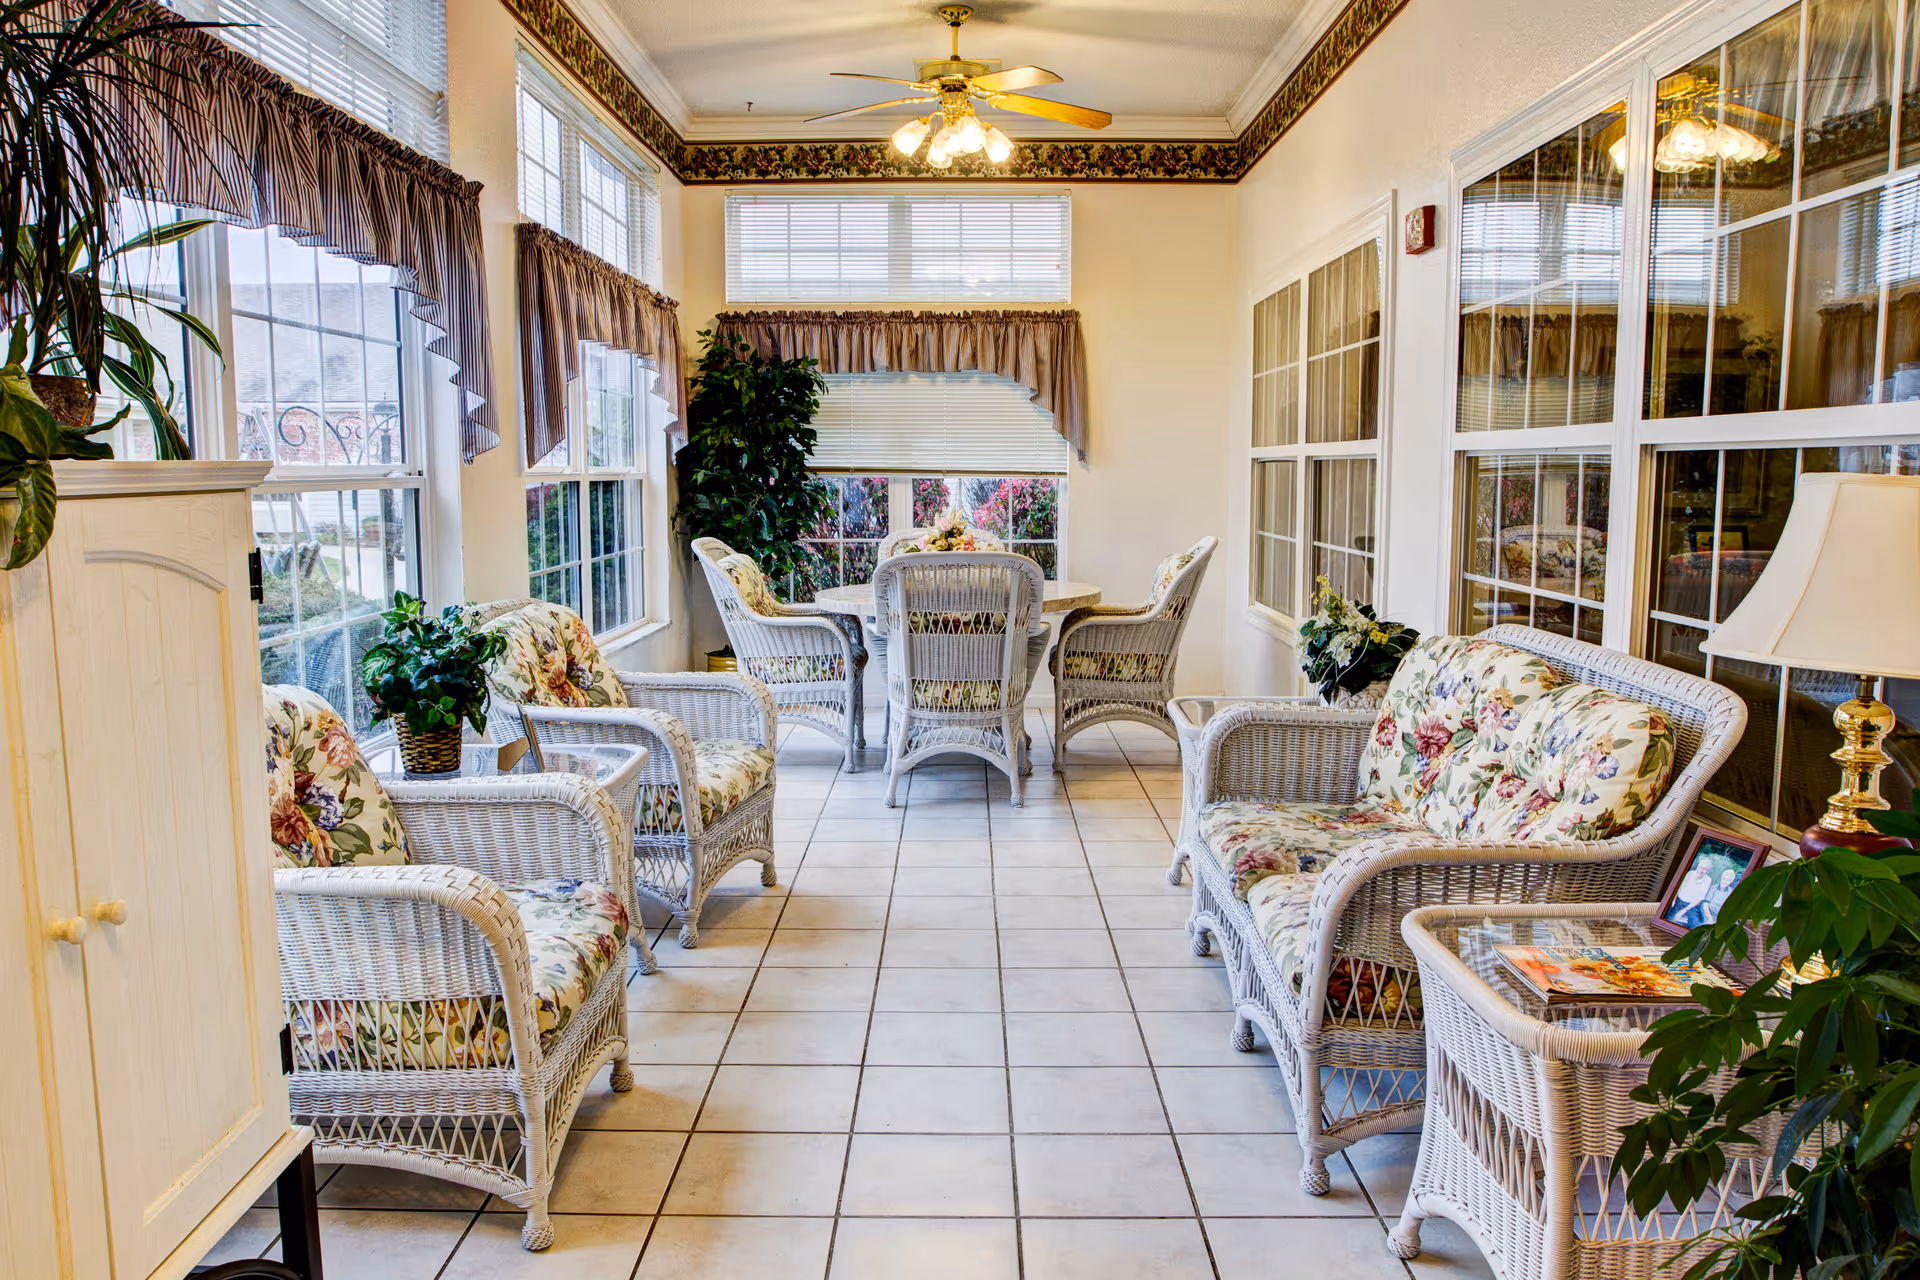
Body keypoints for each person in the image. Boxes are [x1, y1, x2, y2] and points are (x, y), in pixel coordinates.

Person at [1668, 859, 1716, 929]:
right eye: (1700, 867)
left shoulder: (1708, 880)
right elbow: (1679, 889)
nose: (1701, 870)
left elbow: (1700, 899)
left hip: (1692, 906)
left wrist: (1683, 911)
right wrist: (1673, 900)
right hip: (1679, 901)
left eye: (1704, 869)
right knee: (1671, 920)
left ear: (1708, 871)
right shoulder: (1690, 873)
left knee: (1695, 926)